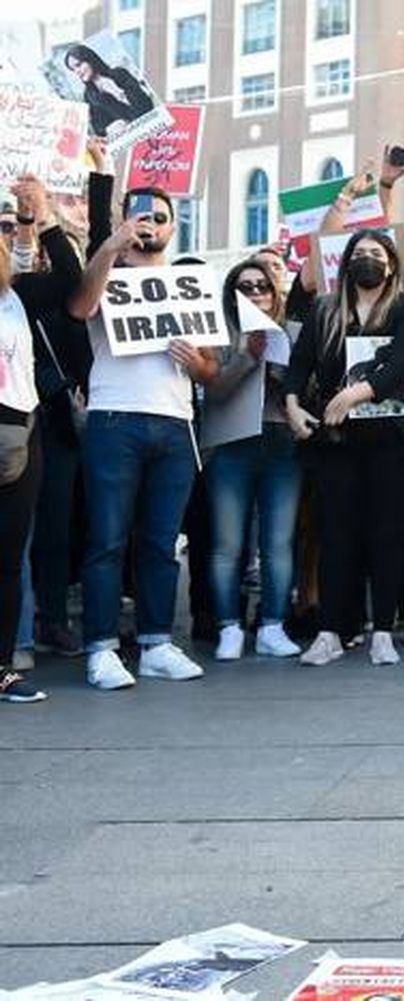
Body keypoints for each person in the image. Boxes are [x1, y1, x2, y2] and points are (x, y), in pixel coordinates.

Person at [67, 188, 220, 690]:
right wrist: (111, 247)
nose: (149, 224)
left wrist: (195, 362)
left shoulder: (188, 284)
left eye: (159, 217)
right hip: (115, 420)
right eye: (141, 217)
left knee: (160, 543)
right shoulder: (108, 273)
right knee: (107, 540)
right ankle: (102, 649)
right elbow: (80, 305)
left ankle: (156, 642)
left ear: (173, 228)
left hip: (174, 425)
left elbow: (211, 370)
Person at [284, 229, 404, 666]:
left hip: (390, 442)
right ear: (346, 263)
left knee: (386, 534)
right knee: (336, 534)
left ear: (390, 264)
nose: (368, 259)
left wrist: (357, 392)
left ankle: (382, 630)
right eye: (360, 253)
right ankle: (330, 631)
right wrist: (291, 404)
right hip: (337, 441)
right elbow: (300, 363)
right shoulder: (326, 310)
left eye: (376, 253)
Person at [1, 175, 81, 704]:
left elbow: (71, 281)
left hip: (17, 434)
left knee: (8, 556)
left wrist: (42, 216)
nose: (7, 240)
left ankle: (2, 667)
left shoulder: (17, 299)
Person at [204, 258, 303, 661]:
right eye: (245, 287)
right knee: (228, 544)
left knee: (278, 543)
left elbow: (307, 387)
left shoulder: (293, 333)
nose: (255, 293)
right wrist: (246, 357)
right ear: (232, 295)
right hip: (232, 443)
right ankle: (229, 626)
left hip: (281, 441)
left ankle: (272, 626)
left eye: (262, 286)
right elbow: (214, 392)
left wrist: (283, 374)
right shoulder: (219, 334)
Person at [63, 44, 154, 141]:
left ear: (90, 59)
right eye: (73, 70)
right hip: (131, 139)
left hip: (152, 126)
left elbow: (147, 104)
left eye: (78, 65)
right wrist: (109, 129)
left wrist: (118, 92)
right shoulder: (89, 96)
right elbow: (99, 129)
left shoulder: (119, 74)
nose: (77, 72)